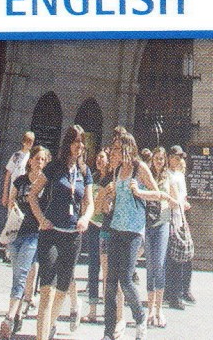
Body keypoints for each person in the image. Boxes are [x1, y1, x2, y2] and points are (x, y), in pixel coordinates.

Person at [28, 124, 93, 340]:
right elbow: (32, 194)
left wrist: (85, 218)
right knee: (47, 291)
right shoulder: (54, 167)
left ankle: (50, 326)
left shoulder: (85, 171)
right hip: (51, 234)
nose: (80, 146)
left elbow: (89, 203)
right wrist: (41, 219)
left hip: (73, 237)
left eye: (82, 142)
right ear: (68, 144)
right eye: (76, 142)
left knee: (62, 290)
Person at [100, 133, 159, 340]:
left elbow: (157, 193)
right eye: (113, 148)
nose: (113, 152)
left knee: (125, 279)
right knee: (110, 283)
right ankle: (108, 332)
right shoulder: (116, 171)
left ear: (127, 148)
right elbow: (111, 203)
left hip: (134, 231)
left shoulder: (139, 168)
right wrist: (107, 200)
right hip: (116, 228)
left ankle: (140, 317)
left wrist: (140, 193)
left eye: (117, 148)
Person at [0, 143, 47, 338]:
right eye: (38, 159)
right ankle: (19, 311)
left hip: (33, 234)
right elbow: (11, 201)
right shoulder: (20, 181)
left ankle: (9, 318)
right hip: (16, 233)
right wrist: (14, 211)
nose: (40, 163)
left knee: (21, 274)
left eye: (44, 160)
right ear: (31, 161)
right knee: (17, 274)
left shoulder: (45, 183)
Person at [145, 146, 177, 326]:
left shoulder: (168, 178)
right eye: (156, 158)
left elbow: (175, 200)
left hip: (163, 221)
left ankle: (159, 309)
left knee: (159, 264)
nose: (158, 161)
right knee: (150, 265)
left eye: (161, 159)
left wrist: (169, 201)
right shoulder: (147, 175)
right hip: (148, 221)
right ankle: (150, 309)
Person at [165, 147, 194, 310]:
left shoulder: (180, 174)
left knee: (186, 255)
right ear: (170, 157)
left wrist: (185, 202)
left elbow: (182, 195)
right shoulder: (167, 175)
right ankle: (173, 295)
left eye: (181, 157)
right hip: (172, 217)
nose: (179, 160)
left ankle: (184, 289)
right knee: (175, 257)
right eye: (176, 157)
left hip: (181, 217)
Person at [85, 147, 109, 325]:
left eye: (103, 157)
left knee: (107, 271)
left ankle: (108, 309)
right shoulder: (93, 178)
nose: (99, 160)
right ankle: (92, 309)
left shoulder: (111, 179)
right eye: (97, 157)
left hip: (106, 227)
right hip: (93, 226)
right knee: (93, 267)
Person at [2, 132, 35, 213]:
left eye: (32, 141)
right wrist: (5, 194)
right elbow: (8, 174)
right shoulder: (17, 156)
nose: (30, 143)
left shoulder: (32, 157)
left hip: (24, 193)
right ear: (23, 142)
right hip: (13, 191)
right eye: (28, 141)